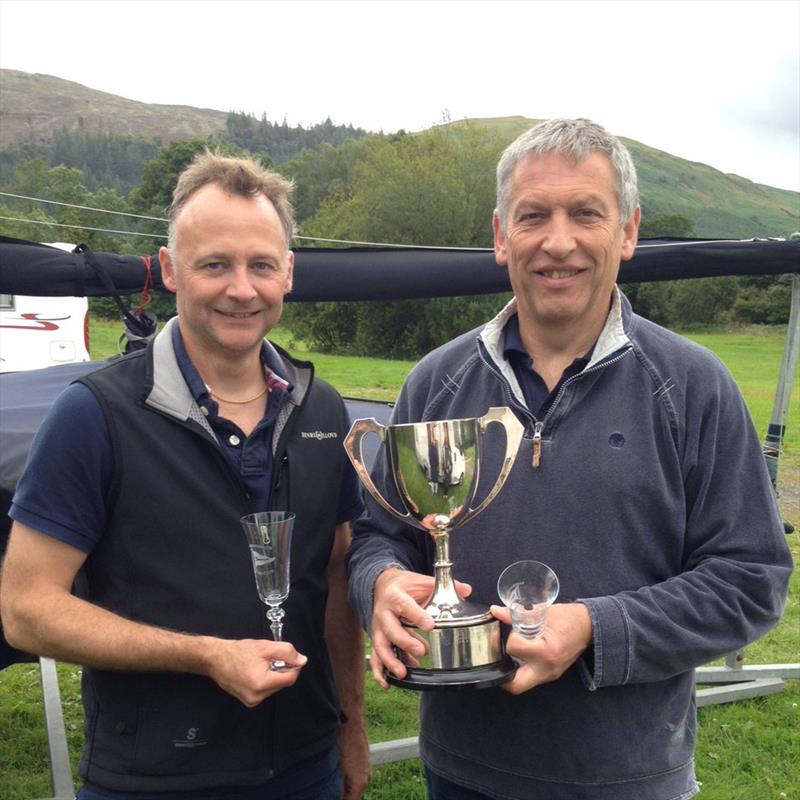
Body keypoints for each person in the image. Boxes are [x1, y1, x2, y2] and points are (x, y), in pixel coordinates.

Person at [346, 118, 793, 800]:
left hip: (627, 778)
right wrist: (378, 586)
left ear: (628, 231)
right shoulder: (434, 382)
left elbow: (750, 579)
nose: (559, 242)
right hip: (461, 770)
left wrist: (594, 629)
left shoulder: (695, 387)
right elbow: (381, 536)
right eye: (533, 216)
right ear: (501, 235)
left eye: (586, 213)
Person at [1, 152, 370, 799]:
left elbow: (336, 573)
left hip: (306, 766)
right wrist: (205, 655)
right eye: (214, 264)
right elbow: (27, 610)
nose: (241, 288)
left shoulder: (323, 409)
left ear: (288, 272)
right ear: (171, 271)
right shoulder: (94, 415)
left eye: (260, 265)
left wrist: (353, 722)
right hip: (155, 777)